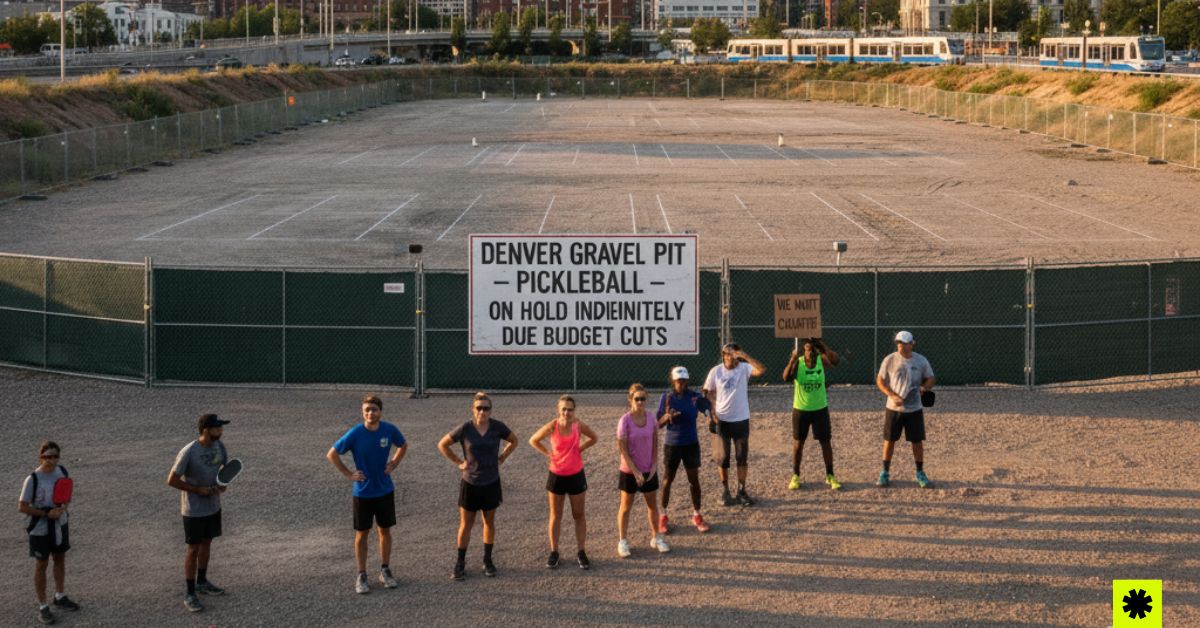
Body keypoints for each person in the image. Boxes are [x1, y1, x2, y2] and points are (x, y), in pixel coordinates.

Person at [326, 394, 408, 594]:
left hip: (384, 490)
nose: (371, 413)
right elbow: (332, 454)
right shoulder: (356, 433)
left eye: (374, 409)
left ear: (380, 411)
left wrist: (394, 463)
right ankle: (361, 574)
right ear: (363, 413)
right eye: (367, 410)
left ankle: (385, 570)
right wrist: (349, 474)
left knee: (385, 531)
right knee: (362, 534)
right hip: (363, 493)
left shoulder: (389, 430)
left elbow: (403, 445)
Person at [438, 392, 519, 581]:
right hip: (470, 482)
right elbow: (443, 444)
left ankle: (488, 560)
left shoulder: (497, 427)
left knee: (489, 522)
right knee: (466, 524)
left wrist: (503, 457)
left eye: (486, 408)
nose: (482, 411)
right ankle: (460, 563)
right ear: (473, 410)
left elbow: (514, 441)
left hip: (491, 481)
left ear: (491, 410)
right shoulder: (465, 428)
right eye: (479, 408)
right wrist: (459, 462)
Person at [167, 414, 232, 613]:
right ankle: (190, 592)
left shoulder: (219, 447)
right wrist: (197, 490)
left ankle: (202, 582)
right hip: (193, 510)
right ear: (206, 430)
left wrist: (222, 484)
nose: (221, 431)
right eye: (217, 428)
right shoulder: (189, 451)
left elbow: (225, 469)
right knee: (193, 548)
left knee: (207, 542)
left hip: (213, 506)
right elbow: (172, 480)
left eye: (221, 427)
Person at [529, 395, 598, 570]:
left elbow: (594, 438)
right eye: (564, 409)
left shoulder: (578, 425)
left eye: (570, 409)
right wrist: (548, 453)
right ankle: (554, 552)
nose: (567, 412)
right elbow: (533, 440)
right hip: (556, 475)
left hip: (576, 475)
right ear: (558, 411)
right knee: (555, 515)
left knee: (579, 515)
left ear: (574, 411)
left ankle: (581, 552)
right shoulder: (553, 426)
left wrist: (579, 449)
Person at [18, 441, 80, 625]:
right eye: (47, 457)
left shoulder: (62, 471)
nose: (51, 460)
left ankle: (59, 595)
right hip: (40, 527)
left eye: (55, 456)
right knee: (41, 563)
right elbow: (22, 506)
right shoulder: (32, 479)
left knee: (59, 557)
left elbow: (67, 495)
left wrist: (62, 509)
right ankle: (43, 606)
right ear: (41, 457)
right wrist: (46, 513)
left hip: (59, 522)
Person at [702, 343, 766, 507]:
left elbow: (761, 370)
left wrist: (744, 356)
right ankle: (725, 491)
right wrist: (712, 410)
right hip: (722, 421)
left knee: (741, 458)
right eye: (727, 354)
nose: (730, 357)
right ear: (723, 356)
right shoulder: (715, 371)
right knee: (723, 458)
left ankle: (741, 491)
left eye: (733, 354)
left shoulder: (744, 368)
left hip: (741, 419)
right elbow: (707, 392)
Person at [876, 331, 937, 489]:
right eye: (898, 343)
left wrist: (925, 387)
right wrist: (891, 395)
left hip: (915, 408)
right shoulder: (890, 359)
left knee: (917, 442)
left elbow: (931, 378)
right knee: (889, 440)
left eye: (904, 343)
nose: (901, 346)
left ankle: (920, 473)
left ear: (912, 343)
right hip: (893, 408)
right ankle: (884, 472)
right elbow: (880, 380)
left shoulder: (921, 360)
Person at [616, 384, 670, 558]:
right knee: (626, 507)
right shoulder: (625, 420)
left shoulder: (651, 418)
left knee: (652, 505)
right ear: (630, 400)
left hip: (648, 469)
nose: (640, 402)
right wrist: (635, 471)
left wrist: (654, 466)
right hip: (629, 470)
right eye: (636, 398)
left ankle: (656, 537)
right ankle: (623, 541)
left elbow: (655, 442)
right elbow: (622, 447)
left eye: (643, 398)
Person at [657, 366, 712, 534]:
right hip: (672, 445)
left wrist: (710, 414)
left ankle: (697, 514)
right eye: (678, 381)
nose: (682, 383)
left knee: (693, 481)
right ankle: (663, 516)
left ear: (687, 380)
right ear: (673, 381)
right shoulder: (666, 398)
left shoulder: (694, 397)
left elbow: (707, 409)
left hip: (691, 444)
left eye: (684, 380)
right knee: (667, 481)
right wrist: (667, 417)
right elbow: (658, 423)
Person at [782, 338, 842, 491]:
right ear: (804, 350)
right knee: (798, 444)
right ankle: (796, 475)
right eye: (808, 349)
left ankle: (830, 475)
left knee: (825, 443)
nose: (811, 352)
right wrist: (792, 359)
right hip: (801, 410)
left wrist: (823, 345)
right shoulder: (799, 362)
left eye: (813, 350)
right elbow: (786, 377)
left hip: (820, 409)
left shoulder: (822, 360)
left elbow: (835, 361)